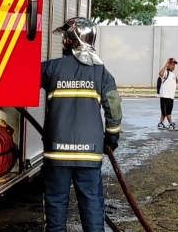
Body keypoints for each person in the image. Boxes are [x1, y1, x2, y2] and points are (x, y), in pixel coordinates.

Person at [40, 17, 123, 232]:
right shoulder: (101, 73)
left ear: (69, 40)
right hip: (89, 155)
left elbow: (20, 78)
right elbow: (113, 109)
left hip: (56, 154)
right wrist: (111, 139)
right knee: (92, 205)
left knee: (56, 206)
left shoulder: (50, 69)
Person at [157, 58, 178, 131]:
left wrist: (177, 81)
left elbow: (172, 82)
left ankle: (161, 123)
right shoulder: (166, 72)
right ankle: (170, 124)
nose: (173, 66)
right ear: (168, 65)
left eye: (174, 65)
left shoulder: (173, 73)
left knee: (164, 111)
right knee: (168, 111)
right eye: (171, 64)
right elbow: (160, 73)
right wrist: (165, 65)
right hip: (165, 95)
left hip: (170, 95)